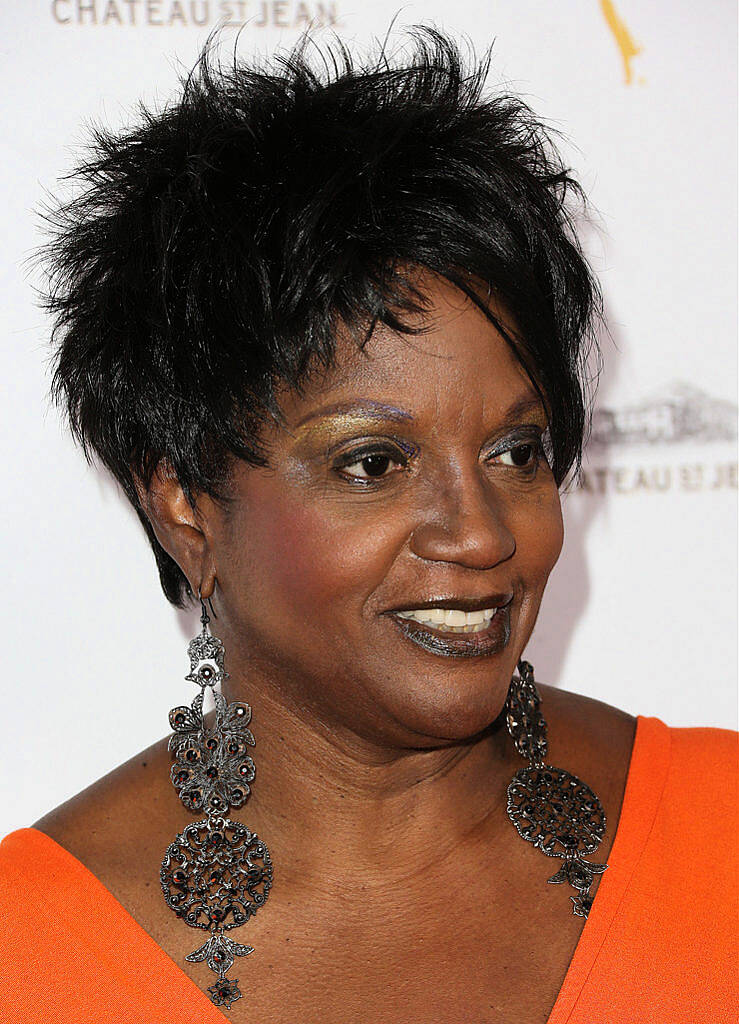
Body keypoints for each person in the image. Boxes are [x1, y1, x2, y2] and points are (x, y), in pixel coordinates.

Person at [0, 25, 735, 1024]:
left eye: (515, 452)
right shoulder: (28, 955)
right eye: (373, 464)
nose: (479, 537)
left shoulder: (719, 829)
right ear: (186, 507)